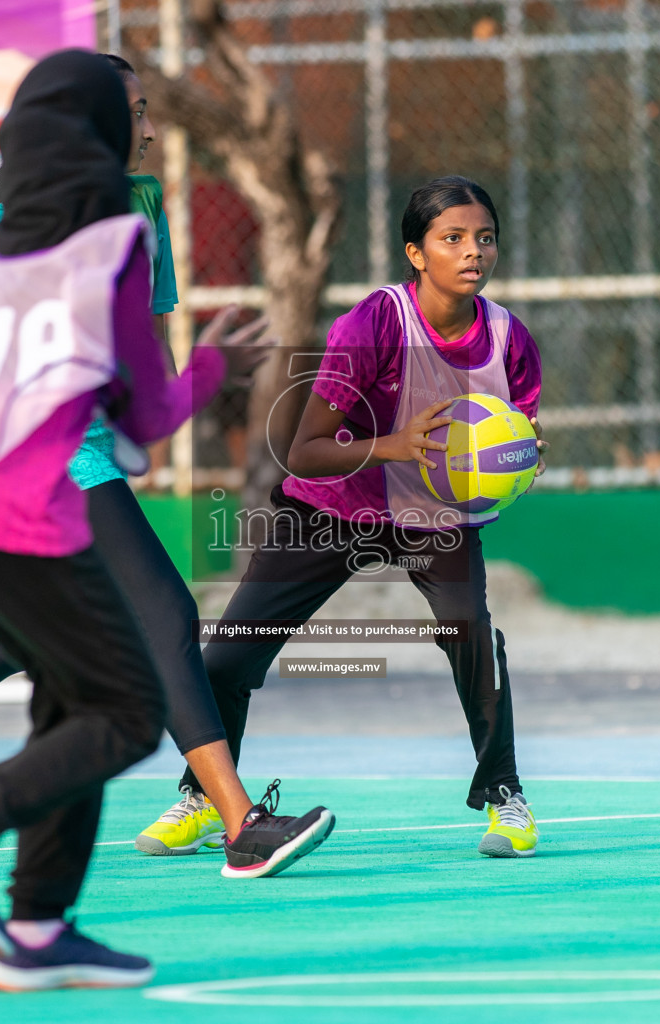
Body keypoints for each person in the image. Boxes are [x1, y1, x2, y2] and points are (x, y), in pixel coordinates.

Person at [0, 54, 333, 880]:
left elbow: (138, 323)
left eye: (145, 109)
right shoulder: (35, 215)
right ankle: (240, 823)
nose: (148, 125)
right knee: (165, 619)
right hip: (47, 458)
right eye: (133, 110)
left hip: (89, 444)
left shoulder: (140, 205)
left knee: (32, 637)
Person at [180, 176, 548, 858]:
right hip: (332, 506)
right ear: (416, 253)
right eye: (453, 239)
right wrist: (396, 446)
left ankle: (504, 795)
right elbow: (306, 450)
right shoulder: (374, 324)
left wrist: (524, 459)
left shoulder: (507, 339)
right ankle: (204, 797)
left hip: (434, 515)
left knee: (474, 637)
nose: (474, 252)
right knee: (229, 654)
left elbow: (515, 432)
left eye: (485, 238)